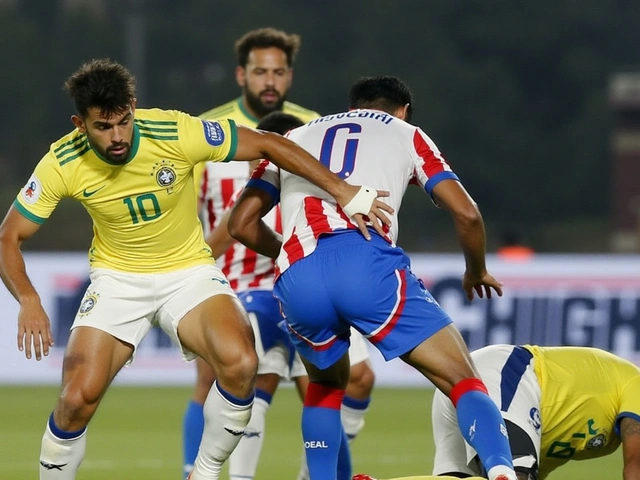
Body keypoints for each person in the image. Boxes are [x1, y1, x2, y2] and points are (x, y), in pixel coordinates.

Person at [0, 59, 390, 480]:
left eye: (124, 122)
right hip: (117, 281)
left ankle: (201, 475)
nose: (116, 137)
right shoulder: (62, 160)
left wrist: (344, 190)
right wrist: (29, 298)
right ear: (80, 123)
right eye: (102, 127)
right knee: (76, 398)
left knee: (242, 363)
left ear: (133, 106)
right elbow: (9, 237)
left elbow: (270, 144)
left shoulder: (174, 132)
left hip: (188, 272)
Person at [225, 75, 518, 480]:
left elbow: (239, 225)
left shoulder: (293, 136)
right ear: (403, 110)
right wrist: (476, 269)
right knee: (462, 379)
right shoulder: (407, 132)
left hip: (298, 277)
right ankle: (502, 470)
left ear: (351, 107)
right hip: (364, 262)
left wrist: (293, 254)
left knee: (325, 388)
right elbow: (466, 213)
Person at [184, 28, 376, 480]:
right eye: (259, 72)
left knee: (341, 384)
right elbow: (189, 223)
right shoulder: (206, 135)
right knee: (218, 381)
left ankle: (324, 474)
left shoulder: (317, 130)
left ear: (289, 76)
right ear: (241, 75)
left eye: (278, 72)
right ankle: (193, 470)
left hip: (304, 282)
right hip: (233, 283)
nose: (269, 81)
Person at [429, 344, 640, 479]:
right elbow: (636, 468)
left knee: (455, 477)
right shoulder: (636, 384)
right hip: (507, 375)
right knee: (513, 474)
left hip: (485, 384)